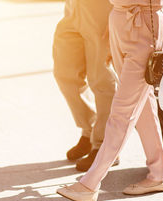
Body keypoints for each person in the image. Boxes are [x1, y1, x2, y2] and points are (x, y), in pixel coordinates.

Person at [57, 0, 163, 201]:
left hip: (145, 25)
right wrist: (113, 29)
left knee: (122, 110)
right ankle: (158, 174)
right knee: (144, 105)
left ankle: (89, 184)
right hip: (119, 21)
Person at [53, 0, 119, 171]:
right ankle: (90, 131)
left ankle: (105, 145)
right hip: (72, 8)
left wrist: (118, 15)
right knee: (65, 73)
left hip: (101, 9)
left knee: (101, 78)